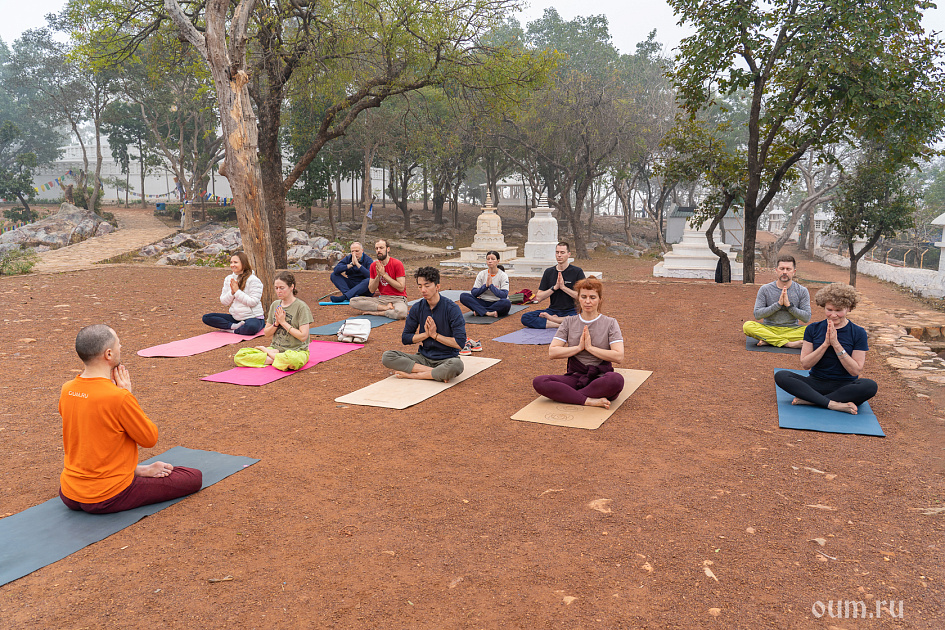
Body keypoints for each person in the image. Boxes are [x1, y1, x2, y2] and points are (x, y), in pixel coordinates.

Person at [58, 325, 202, 514]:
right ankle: (133, 475)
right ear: (108, 354)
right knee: (193, 476)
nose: (121, 347)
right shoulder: (118, 396)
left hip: (69, 493)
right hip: (108, 496)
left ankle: (137, 471)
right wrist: (127, 395)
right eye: (119, 344)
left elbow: (95, 436)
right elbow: (149, 439)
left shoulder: (67, 389)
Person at [774, 283, 878, 415]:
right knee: (781, 376)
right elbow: (806, 364)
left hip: (845, 386)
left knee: (870, 386)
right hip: (816, 383)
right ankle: (833, 404)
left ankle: (812, 400)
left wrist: (836, 344)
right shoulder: (813, 329)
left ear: (849, 308)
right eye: (829, 309)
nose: (833, 315)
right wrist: (825, 344)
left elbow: (855, 370)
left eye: (838, 310)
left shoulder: (858, 332)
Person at [532, 277, 625, 408]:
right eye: (584, 297)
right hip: (575, 377)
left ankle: (570, 396)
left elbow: (618, 356)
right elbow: (553, 352)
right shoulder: (569, 322)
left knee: (616, 380)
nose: (588, 301)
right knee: (540, 381)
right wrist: (579, 347)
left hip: (600, 377)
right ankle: (588, 400)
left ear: (600, 299)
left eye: (592, 297)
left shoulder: (610, 323)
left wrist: (590, 348)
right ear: (578, 299)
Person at [382, 266, 466, 382]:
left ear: (437, 287)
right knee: (387, 356)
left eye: (427, 286)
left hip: (446, 359)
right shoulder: (417, 308)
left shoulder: (452, 309)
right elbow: (406, 338)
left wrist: (435, 335)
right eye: (420, 286)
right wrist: (426, 335)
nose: (423, 290)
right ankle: (433, 373)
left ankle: (415, 375)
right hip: (423, 358)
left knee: (457, 365)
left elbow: (460, 343)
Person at [234, 271, 313, 371]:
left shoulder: (301, 307)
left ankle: (269, 357)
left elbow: (303, 337)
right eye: (276, 288)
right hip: (276, 349)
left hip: (296, 351)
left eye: (282, 288)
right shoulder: (275, 305)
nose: (278, 291)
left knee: (293, 361)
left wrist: (283, 322)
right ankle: (276, 359)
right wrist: (276, 323)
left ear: (291, 287)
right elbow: (267, 333)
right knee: (239, 356)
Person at [744, 254, 811, 348]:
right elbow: (757, 314)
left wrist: (789, 306)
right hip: (769, 328)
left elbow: (806, 318)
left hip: (792, 330)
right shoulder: (765, 289)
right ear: (776, 270)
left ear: (794, 272)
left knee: (817, 330)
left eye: (788, 269)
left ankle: (770, 340)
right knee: (747, 326)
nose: (784, 272)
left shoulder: (802, 290)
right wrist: (778, 305)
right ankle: (788, 343)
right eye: (782, 268)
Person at [521, 242, 585, 329]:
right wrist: (554, 288)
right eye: (557, 252)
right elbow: (539, 297)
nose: (559, 255)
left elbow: (582, 296)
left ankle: (552, 320)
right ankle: (558, 324)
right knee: (525, 317)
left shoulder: (577, 272)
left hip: (571, 311)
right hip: (552, 310)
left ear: (568, 254)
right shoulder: (549, 272)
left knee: (580, 318)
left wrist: (563, 287)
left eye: (562, 253)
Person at [201, 252, 266, 335]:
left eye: (235, 262)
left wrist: (237, 291)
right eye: (231, 262)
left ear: (243, 263)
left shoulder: (253, 280)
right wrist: (232, 292)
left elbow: (253, 302)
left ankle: (232, 330)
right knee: (207, 318)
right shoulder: (229, 279)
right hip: (236, 318)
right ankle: (233, 326)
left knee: (251, 328)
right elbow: (224, 302)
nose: (232, 265)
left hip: (253, 317)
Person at [349, 239, 409, 320]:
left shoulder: (397, 264)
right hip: (383, 299)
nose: (378, 250)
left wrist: (384, 275)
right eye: (376, 248)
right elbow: (371, 289)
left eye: (381, 248)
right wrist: (378, 275)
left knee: (401, 313)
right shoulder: (374, 265)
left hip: (398, 298)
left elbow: (401, 287)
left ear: (388, 249)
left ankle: (379, 312)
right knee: (353, 301)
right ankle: (385, 308)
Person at [459, 250, 512, 318]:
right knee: (463, 296)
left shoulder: (503, 275)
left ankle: (480, 311)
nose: (490, 261)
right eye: (488, 259)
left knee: (506, 303)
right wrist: (485, 286)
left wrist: (491, 286)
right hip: (482, 302)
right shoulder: (482, 274)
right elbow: (474, 293)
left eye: (493, 259)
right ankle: (488, 313)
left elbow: (504, 295)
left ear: (498, 261)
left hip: (497, 302)